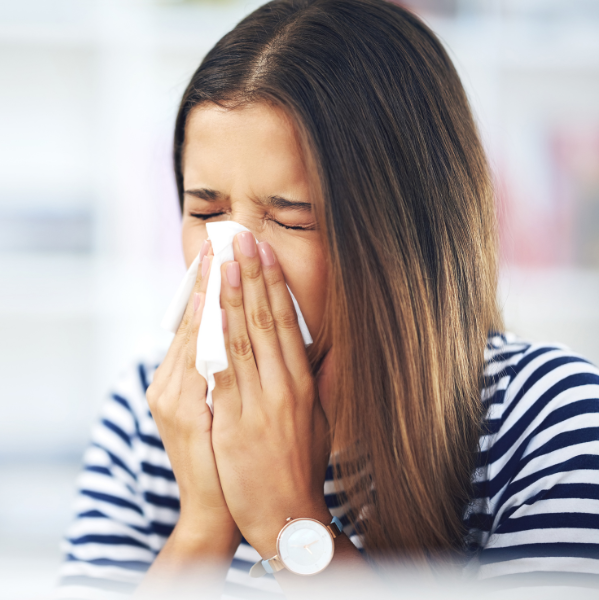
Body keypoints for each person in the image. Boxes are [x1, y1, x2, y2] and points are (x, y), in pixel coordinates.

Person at [55, 0, 599, 598]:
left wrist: (289, 522)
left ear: (403, 229)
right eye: (206, 211)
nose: (234, 257)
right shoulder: (150, 414)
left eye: (292, 218)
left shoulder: (549, 422)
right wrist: (204, 527)